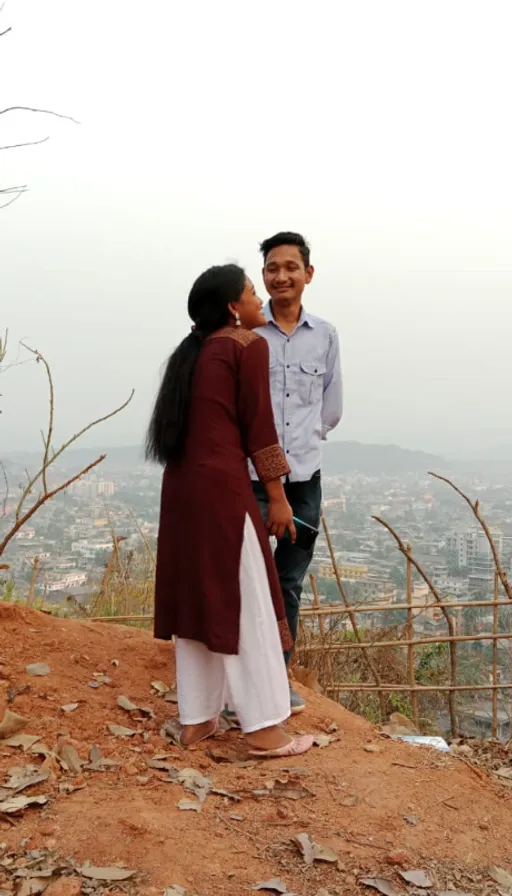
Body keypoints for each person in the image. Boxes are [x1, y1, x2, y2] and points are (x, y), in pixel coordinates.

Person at [146, 263, 314, 758]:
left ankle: (197, 720)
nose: (259, 297)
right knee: (248, 601)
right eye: (249, 292)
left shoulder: (192, 354)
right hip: (222, 491)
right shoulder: (247, 345)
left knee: (199, 596)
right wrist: (279, 496)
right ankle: (262, 727)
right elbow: (259, 427)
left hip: (181, 491)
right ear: (231, 310)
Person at [253, 232, 342, 713]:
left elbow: (332, 406)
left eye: (290, 266)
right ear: (263, 274)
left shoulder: (326, 335)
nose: (280, 276)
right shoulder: (248, 331)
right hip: (248, 480)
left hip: (304, 482)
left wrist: (302, 447)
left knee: (288, 582)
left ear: (308, 273)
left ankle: (278, 676)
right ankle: (236, 678)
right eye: (271, 267)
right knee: (243, 578)